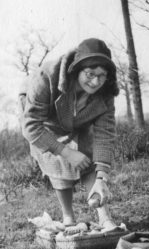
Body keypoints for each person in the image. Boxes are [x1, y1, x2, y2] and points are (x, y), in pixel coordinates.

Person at [21, 38, 121, 231]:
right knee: (55, 158)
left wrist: (102, 178)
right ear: (76, 69)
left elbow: (104, 135)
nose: (95, 81)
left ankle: (104, 217)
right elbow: (32, 126)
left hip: (78, 119)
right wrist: (66, 152)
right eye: (90, 74)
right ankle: (68, 217)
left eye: (102, 76)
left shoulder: (105, 93)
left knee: (88, 154)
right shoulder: (45, 77)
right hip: (43, 118)